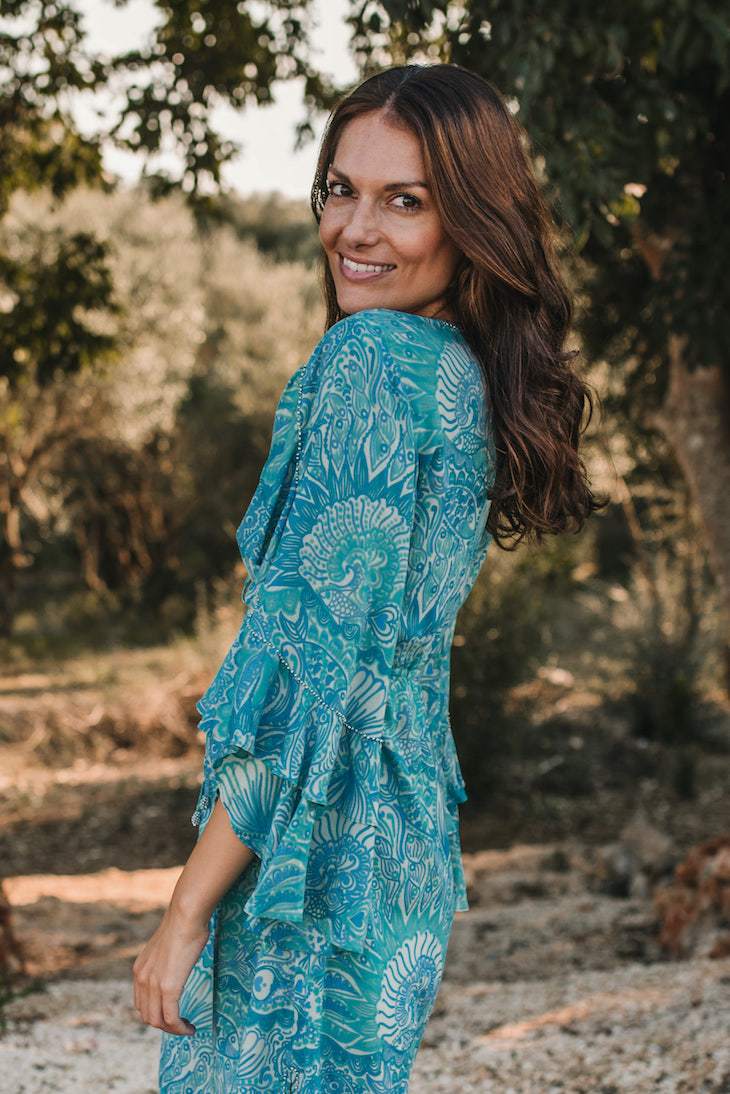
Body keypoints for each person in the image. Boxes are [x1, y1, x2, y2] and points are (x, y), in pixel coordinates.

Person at [135, 62, 604, 1091]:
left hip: (307, 867)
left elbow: (308, 682)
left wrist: (186, 907)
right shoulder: (462, 373)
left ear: (469, 221)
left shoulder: (371, 363)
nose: (355, 229)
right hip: (399, 856)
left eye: (405, 201)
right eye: (341, 190)